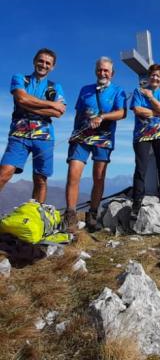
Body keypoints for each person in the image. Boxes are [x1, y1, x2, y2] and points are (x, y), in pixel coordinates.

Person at [63, 57, 127, 232]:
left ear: (112, 74)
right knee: (73, 174)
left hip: (103, 138)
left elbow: (122, 113)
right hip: (81, 136)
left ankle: (92, 214)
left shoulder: (118, 91)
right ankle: (70, 215)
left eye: (106, 70)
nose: (102, 73)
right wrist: (73, 134)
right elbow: (78, 114)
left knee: (99, 177)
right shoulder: (85, 90)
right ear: (95, 71)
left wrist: (102, 117)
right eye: (100, 69)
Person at [0, 48, 66, 204]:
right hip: (18, 135)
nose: (43, 65)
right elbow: (21, 98)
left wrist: (28, 104)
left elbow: (59, 112)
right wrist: (51, 105)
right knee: (4, 173)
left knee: (40, 179)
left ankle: (36, 216)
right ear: (34, 61)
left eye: (48, 63)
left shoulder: (56, 87)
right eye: (41, 61)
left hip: (44, 137)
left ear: (52, 67)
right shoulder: (20, 78)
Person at [130, 64, 160, 217]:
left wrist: (150, 97)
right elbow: (137, 110)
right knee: (141, 167)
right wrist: (158, 112)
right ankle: (137, 200)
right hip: (141, 134)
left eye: (158, 76)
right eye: (152, 75)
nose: (154, 78)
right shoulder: (137, 91)